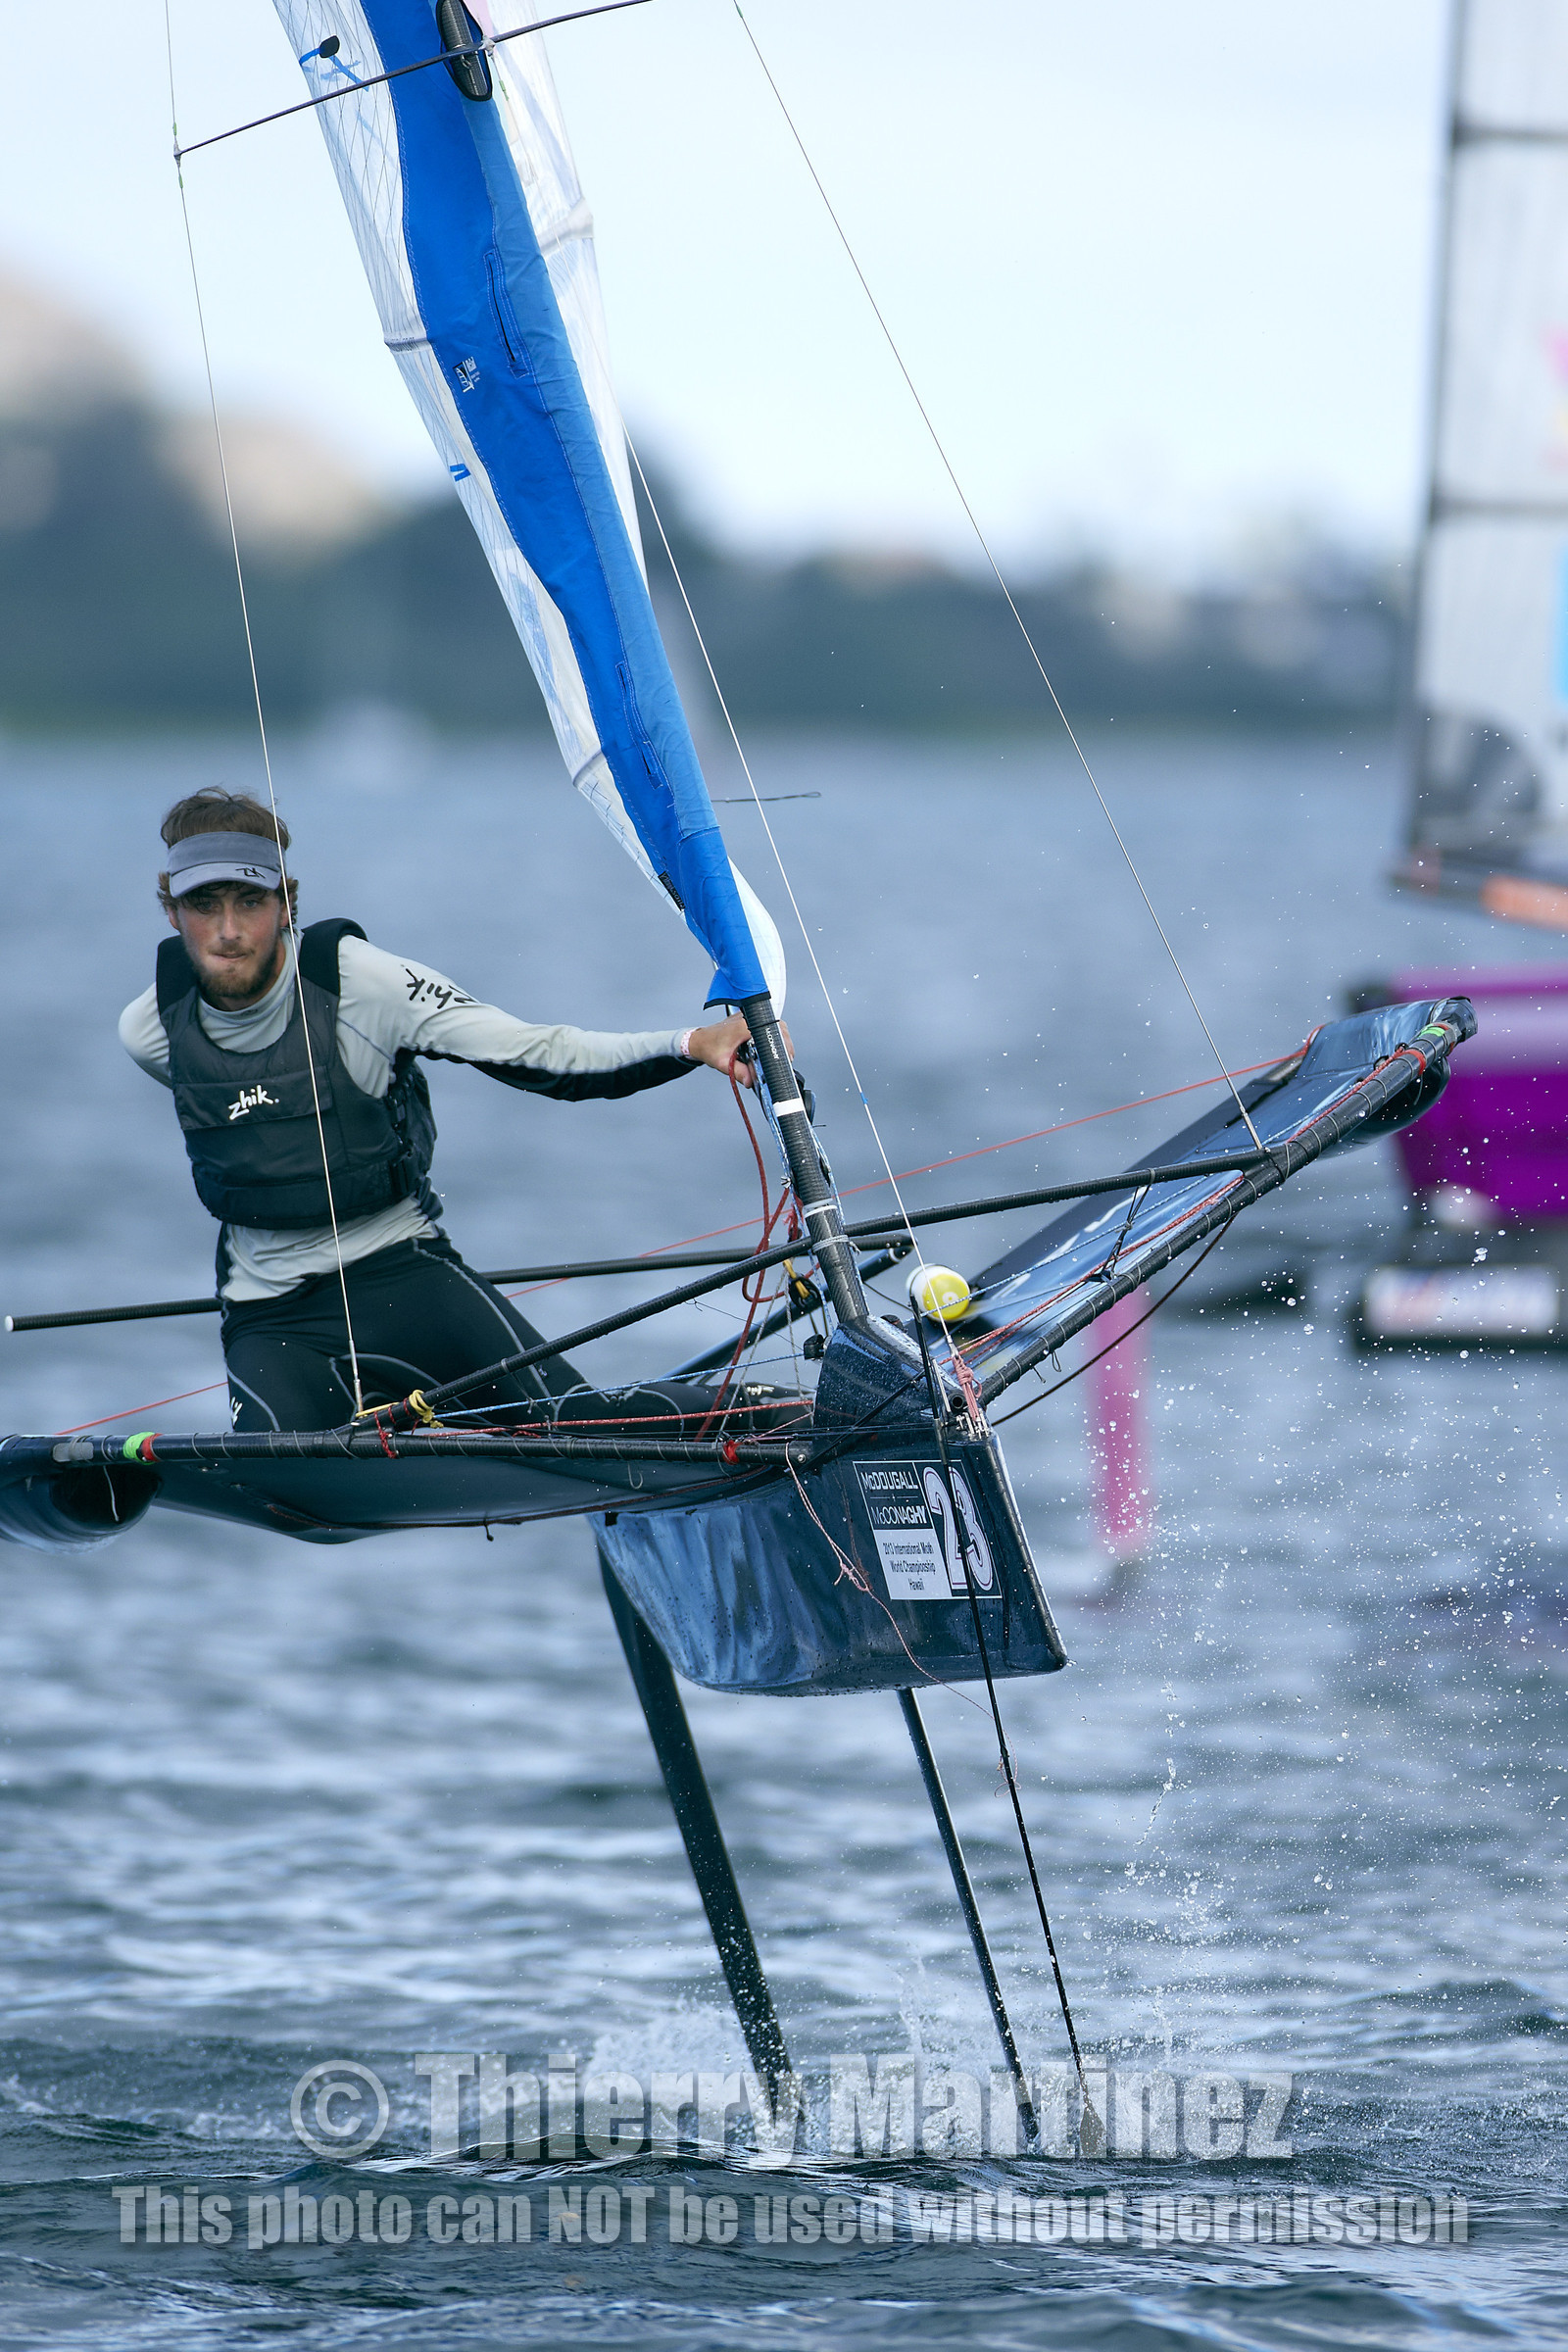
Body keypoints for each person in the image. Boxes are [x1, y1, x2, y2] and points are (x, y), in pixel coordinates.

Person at [120, 790, 767, 1432]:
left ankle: (770, 1412)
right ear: (172, 913)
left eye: (250, 902)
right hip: (269, 1314)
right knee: (291, 1483)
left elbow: (537, 1054)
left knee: (581, 1427)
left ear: (287, 904)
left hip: (401, 1274)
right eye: (204, 905)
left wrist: (691, 1045)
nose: (228, 931)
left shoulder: (366, 985)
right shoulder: (151, 1031)